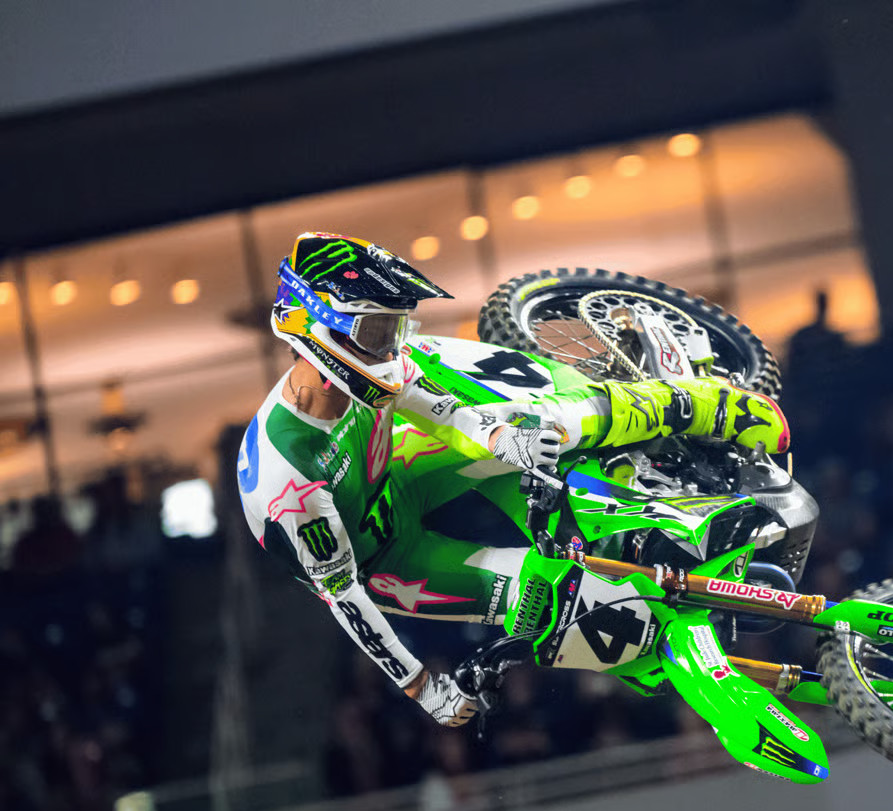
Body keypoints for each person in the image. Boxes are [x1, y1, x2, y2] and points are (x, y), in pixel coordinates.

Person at [237, 233, 789, 729]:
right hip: (384, 562)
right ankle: (675, 658)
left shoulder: (362, 367)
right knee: (549, 607)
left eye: (395, 328)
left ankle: (683, 404)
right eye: (377, 331)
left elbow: (443, 410)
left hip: (399, 466)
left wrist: (505, 438)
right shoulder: (291, 479)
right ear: (309, 324)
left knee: (536, 425)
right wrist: (423, 689)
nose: (390, 346)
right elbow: (345, 599)